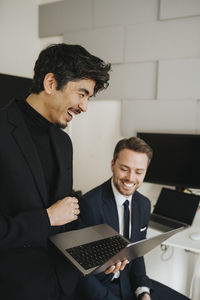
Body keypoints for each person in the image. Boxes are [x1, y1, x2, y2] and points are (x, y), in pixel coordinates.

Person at [0, 43, 124, 300]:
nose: (85, 106)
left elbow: (65, 215)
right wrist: (45, 218)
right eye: (82, 93)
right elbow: (52, 216)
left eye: (88, 97)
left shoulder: (63, 142)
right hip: (16, 288)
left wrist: (101, 254)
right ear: (50, 83)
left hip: (63, 284)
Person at [76, 137, 190, 300]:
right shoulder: (88, 205)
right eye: (124, 168)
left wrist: (143, 291)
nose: (130, 178)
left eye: (138, 172)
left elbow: (137, 254)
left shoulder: (143, 204)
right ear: (112, 165)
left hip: (130, 284)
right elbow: (79, 273)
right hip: (100, 289)